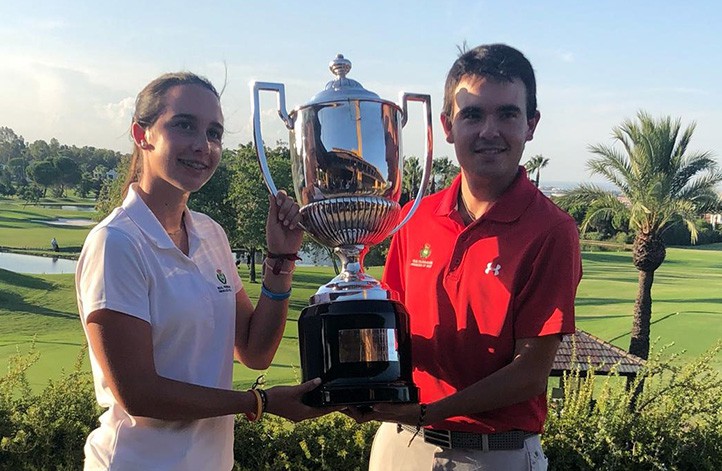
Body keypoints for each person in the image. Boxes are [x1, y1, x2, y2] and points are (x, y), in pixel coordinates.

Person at [75, 72, 329, 470]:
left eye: (214, 132)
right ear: (143, 135)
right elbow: (139, 394)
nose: (203, 145)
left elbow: (254, 351)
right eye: (184, 125)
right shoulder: (117, 243)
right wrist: (257, 403)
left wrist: (281, 259)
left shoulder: (211, 235)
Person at [349, 44, 582, 470]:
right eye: (472, 114)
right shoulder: (411, 216)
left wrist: (430, 412)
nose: (489, 131)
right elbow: (391, 329)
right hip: (400, 445)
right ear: (447, 126)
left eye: (507, 114)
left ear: (531, 124)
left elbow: (530, 373)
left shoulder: (552, 230)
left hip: (496, 455)